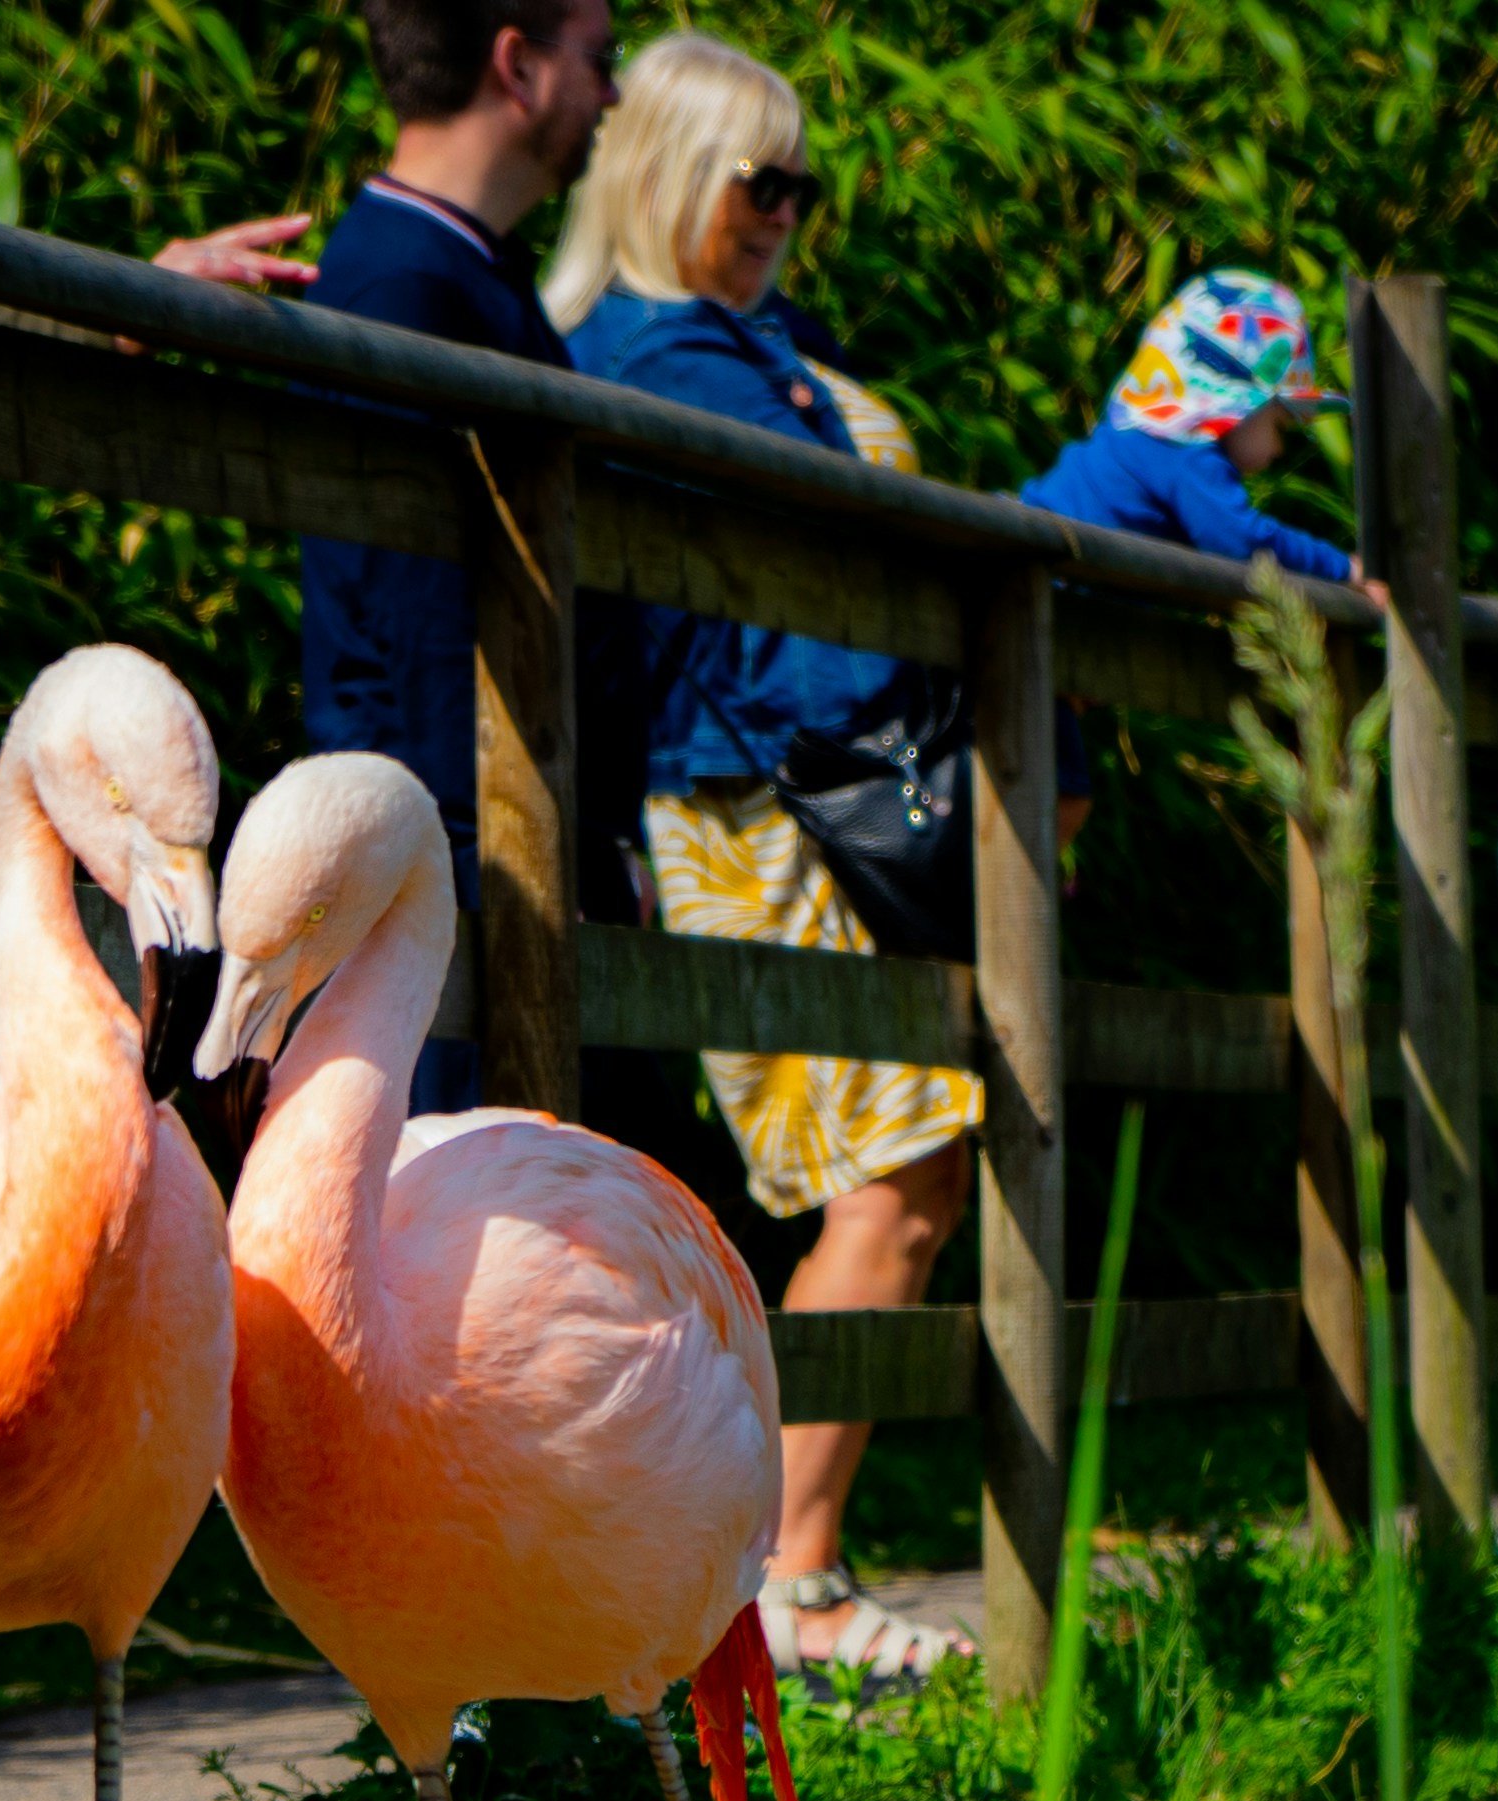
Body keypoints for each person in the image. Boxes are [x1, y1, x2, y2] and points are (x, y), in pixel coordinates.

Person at [550, 32, 974, 1688]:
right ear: (670, 176)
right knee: (892, 1177)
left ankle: (770, 1571)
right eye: (761, 179)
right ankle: (779, 1583)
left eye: (803, 181)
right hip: (748, 799)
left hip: (782, 792)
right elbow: (834, 582)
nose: (790, 210)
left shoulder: (737, 345)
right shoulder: (661, 360)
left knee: (896, 1180)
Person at [290, 0, 632, 1107]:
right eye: (600, 60)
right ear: (518, 68)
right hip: (438, 876)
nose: (613, 95)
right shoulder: (407, 285)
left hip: (489, 857)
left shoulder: (473, 276)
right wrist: (509, 861)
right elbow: (411, 622)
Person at [1020, 268, 1359, 586]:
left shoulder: (1145, 432)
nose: (1279, 449)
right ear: (1242, 405)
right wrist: (1343, 568)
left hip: (1033, 556)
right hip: (1044, 579)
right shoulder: (1186, 452)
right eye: (1280, 426)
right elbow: (1243, 542)